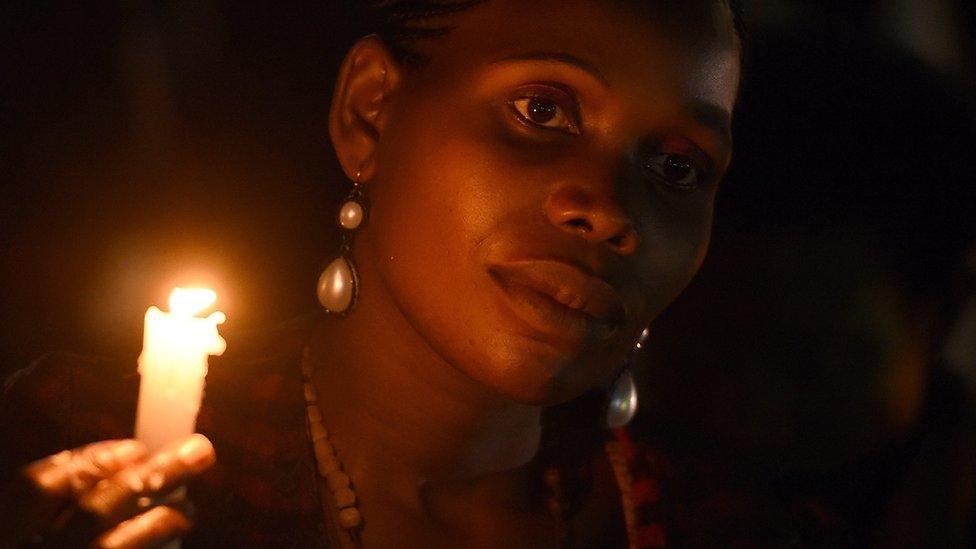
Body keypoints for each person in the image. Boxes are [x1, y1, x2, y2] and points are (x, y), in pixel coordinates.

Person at [0, 0, 745, 546]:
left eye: (677, 166)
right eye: (541, 111)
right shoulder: (67, 455)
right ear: (371, 111)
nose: (610, 209)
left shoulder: (724, 527)